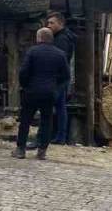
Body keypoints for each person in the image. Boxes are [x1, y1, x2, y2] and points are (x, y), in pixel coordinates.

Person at [13, 27, 69, 160]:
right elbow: (66, 76)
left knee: (25, 120)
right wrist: (56, 88)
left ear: (39, 38)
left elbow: (24, 71)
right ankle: (42, 151)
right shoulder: (60, 54)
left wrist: (25, 85)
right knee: (46, 121)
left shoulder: (32, 51)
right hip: (49, 92)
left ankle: (20, 149)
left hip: (32, 91)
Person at [46, 12, 77, 145]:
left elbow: (60, 60)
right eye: (48, 23)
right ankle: (59, 136)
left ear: (60, 23)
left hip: (58, 79)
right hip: (62, 78)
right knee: (60, 107)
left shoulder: (61, 39)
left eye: (52, 23)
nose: (49, 25)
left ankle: (56, 136)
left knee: (54, 107)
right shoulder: (63, 37)